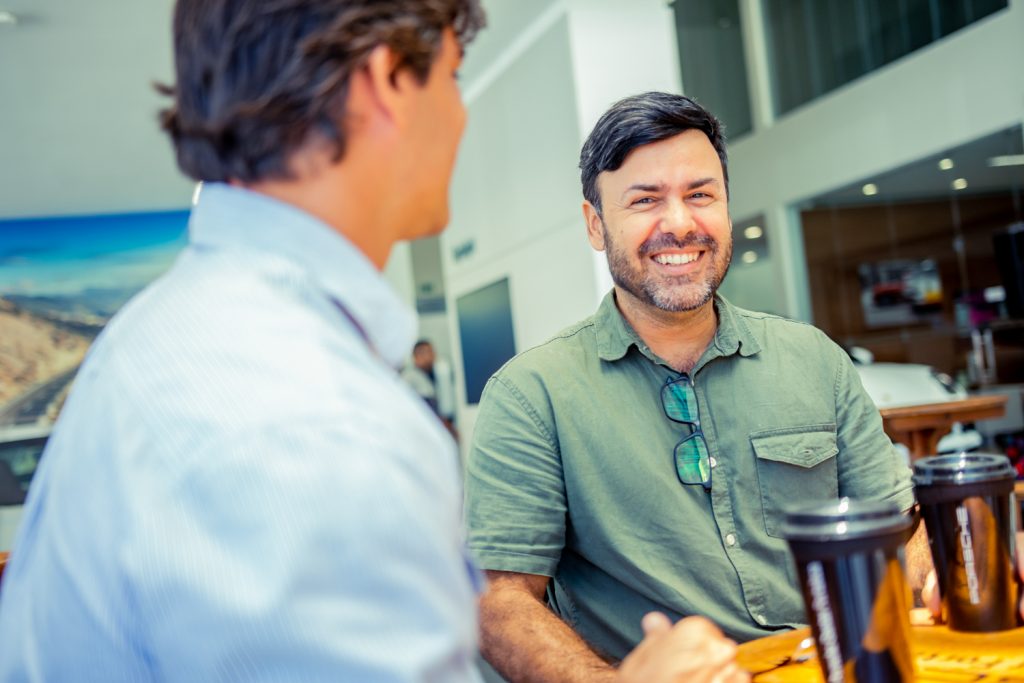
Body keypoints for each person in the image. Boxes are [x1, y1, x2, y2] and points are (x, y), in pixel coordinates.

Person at [0, 6, 747, 683]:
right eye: (452, 79)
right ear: (390, 81)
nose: (459, 116)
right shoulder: (308, 420)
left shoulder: (170, 335)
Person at [463, 91, 960, 682]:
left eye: (700, 195)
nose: (679, 224)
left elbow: (901, 530)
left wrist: (951, 577)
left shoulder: (814, 360)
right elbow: (498, 601)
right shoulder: (531, 396)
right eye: (645, 200)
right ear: (596, 224)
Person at [402, 339, 457, 437]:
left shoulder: (434, 375)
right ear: (416, 356)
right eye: (428, 352)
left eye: (432, 352)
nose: (432, 356)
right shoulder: (409, 378)